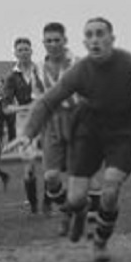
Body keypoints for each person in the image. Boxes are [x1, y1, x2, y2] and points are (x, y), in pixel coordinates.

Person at [10, 17, 131, 262]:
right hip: (89, 130)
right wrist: (27, 133)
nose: (95, 39)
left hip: (124, 131)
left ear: (112, 39)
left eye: (100, 34)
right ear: (84, 42)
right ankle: (76, 213)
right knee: (76, 198)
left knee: (110, 188)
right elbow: (48, 101)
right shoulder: (80, 71)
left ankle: (100, 241)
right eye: (89, 35)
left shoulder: (129, 63)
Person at [40, 21, 77, 229]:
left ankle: (72, 217)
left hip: (75, 121)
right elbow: (40, 101)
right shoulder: (39, 69)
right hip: (52, 124)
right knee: (51, 177)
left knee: (76, 177)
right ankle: (66, 210)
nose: (53, 44)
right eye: (49, 40)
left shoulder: (78, 64)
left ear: (65, 41)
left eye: (57, 40)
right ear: (43, 43)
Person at [4, 36, 46, 214]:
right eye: (20, 50)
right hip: (24, 122)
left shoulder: (41, 71)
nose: (23, 52)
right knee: (29, 166)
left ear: (31, 51)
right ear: (15, 53)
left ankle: (49, 202)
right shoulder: (11, 77)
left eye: (26, 49)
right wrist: (26, 107)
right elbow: (6, 107)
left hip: (45, 118)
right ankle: (34, 205)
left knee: (51, 163)